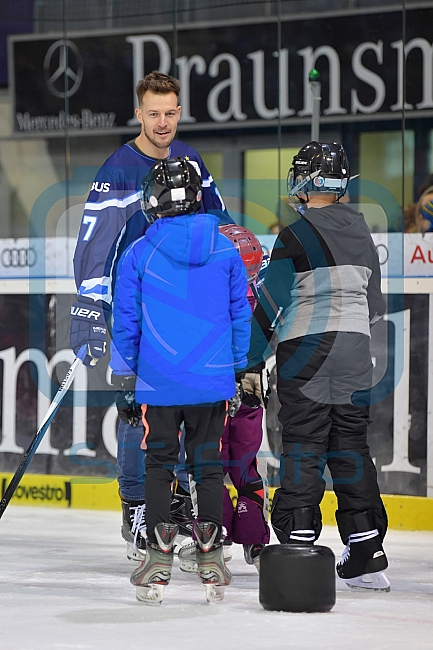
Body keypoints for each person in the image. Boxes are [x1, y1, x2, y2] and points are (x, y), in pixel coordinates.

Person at [70, 71, 231, 561]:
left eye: (171, 112)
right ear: (139, 113)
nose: (163, 123)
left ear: (179, 111)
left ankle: (175, 506)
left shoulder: (192, 160)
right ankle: (138, 509)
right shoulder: (119, 168)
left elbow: (218, 227)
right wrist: (90, 307)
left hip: (187, 312)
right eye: (154, 113)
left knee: (185, 411)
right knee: (135, 413)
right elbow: (95, 245)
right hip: (135, 313)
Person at [248, 141, 390, 592]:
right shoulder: (363, 231)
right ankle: (367, 552)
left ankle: (299, 543)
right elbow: (375, 305)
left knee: (305, 445)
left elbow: (270, 304)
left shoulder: (295, 233)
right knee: (349, 444)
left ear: (306, 181)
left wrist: (248, 362)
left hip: (305, 351)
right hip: (353, 350)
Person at [110, 157, 251, 604]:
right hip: (212, 379)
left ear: (153, 202)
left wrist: (124, 377)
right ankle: (210, 555)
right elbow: (239, 314)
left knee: (159, 465)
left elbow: (126, 320)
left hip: (160, 381)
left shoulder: (138, 252)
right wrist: (238, 365)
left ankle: (158, 558)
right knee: (208, 465)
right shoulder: (226, 249)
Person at [177, 225, 271, 575]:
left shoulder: (205, 291)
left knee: (207, 460)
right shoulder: (260, 293)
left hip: (213, 386)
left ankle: (212, 537)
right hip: (250, 386)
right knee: (244, 464)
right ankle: (256, 538)